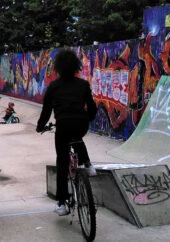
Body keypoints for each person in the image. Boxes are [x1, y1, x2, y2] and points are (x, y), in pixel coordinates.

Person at [36, 49, 97, 216]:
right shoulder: (83, 85)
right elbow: (92, 107)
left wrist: (40, 126)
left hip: (62, 126)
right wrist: (88, 118)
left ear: (58, 68)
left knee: (62, 163)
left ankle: (62, 203)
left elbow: (46, 111)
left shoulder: (54, 87)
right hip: (81, 123)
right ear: (75, 67)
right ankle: (88, 164)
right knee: (76, 136)